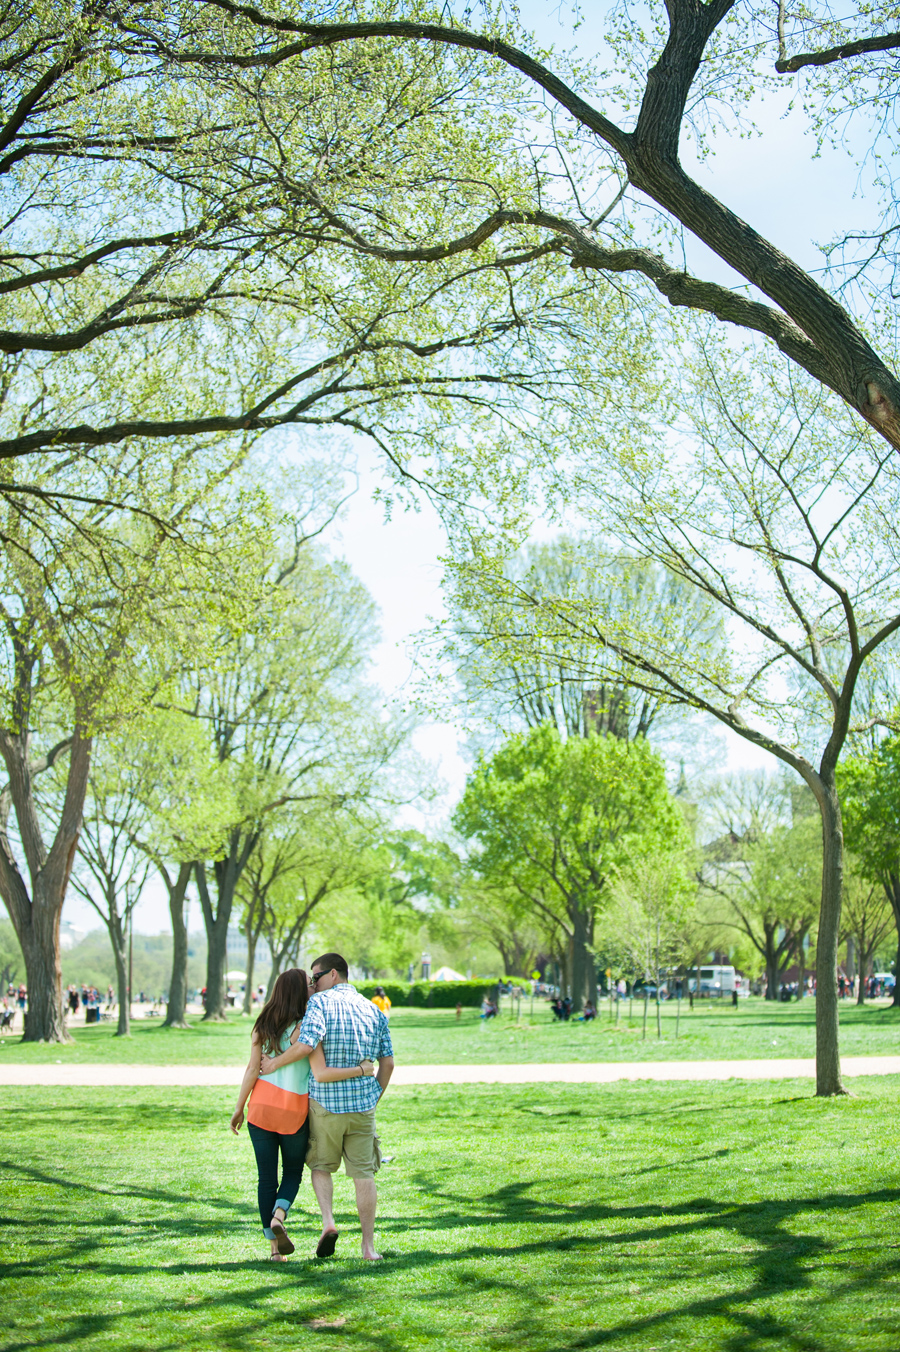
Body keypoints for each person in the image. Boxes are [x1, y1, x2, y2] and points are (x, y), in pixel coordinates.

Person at [231, 968, 375, 1262]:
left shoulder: (263, 1024)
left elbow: (251, 1070)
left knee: (265, 1179)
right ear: (299, 991)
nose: (312, 987)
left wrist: (238, 1107)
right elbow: (313, 1057)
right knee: (294, 1172)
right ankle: (279, 1215)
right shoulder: (306, 1026)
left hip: (259, 1108)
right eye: (308, 984)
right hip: (293, 1111)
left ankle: (274, 1250)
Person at [259, 952, 394, 1262]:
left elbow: (307, 1045)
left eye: (315, 978)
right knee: (364, 1175)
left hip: (325, 1105)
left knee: (320, 1167)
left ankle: (329, 1223)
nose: (313, 984)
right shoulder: (374, 1010)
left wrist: (275, 1063)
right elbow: (387, 1063)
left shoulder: (320, 1004)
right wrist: (374, 1096)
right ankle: (368, 1247)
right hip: (362, 1107)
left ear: (334, 974)